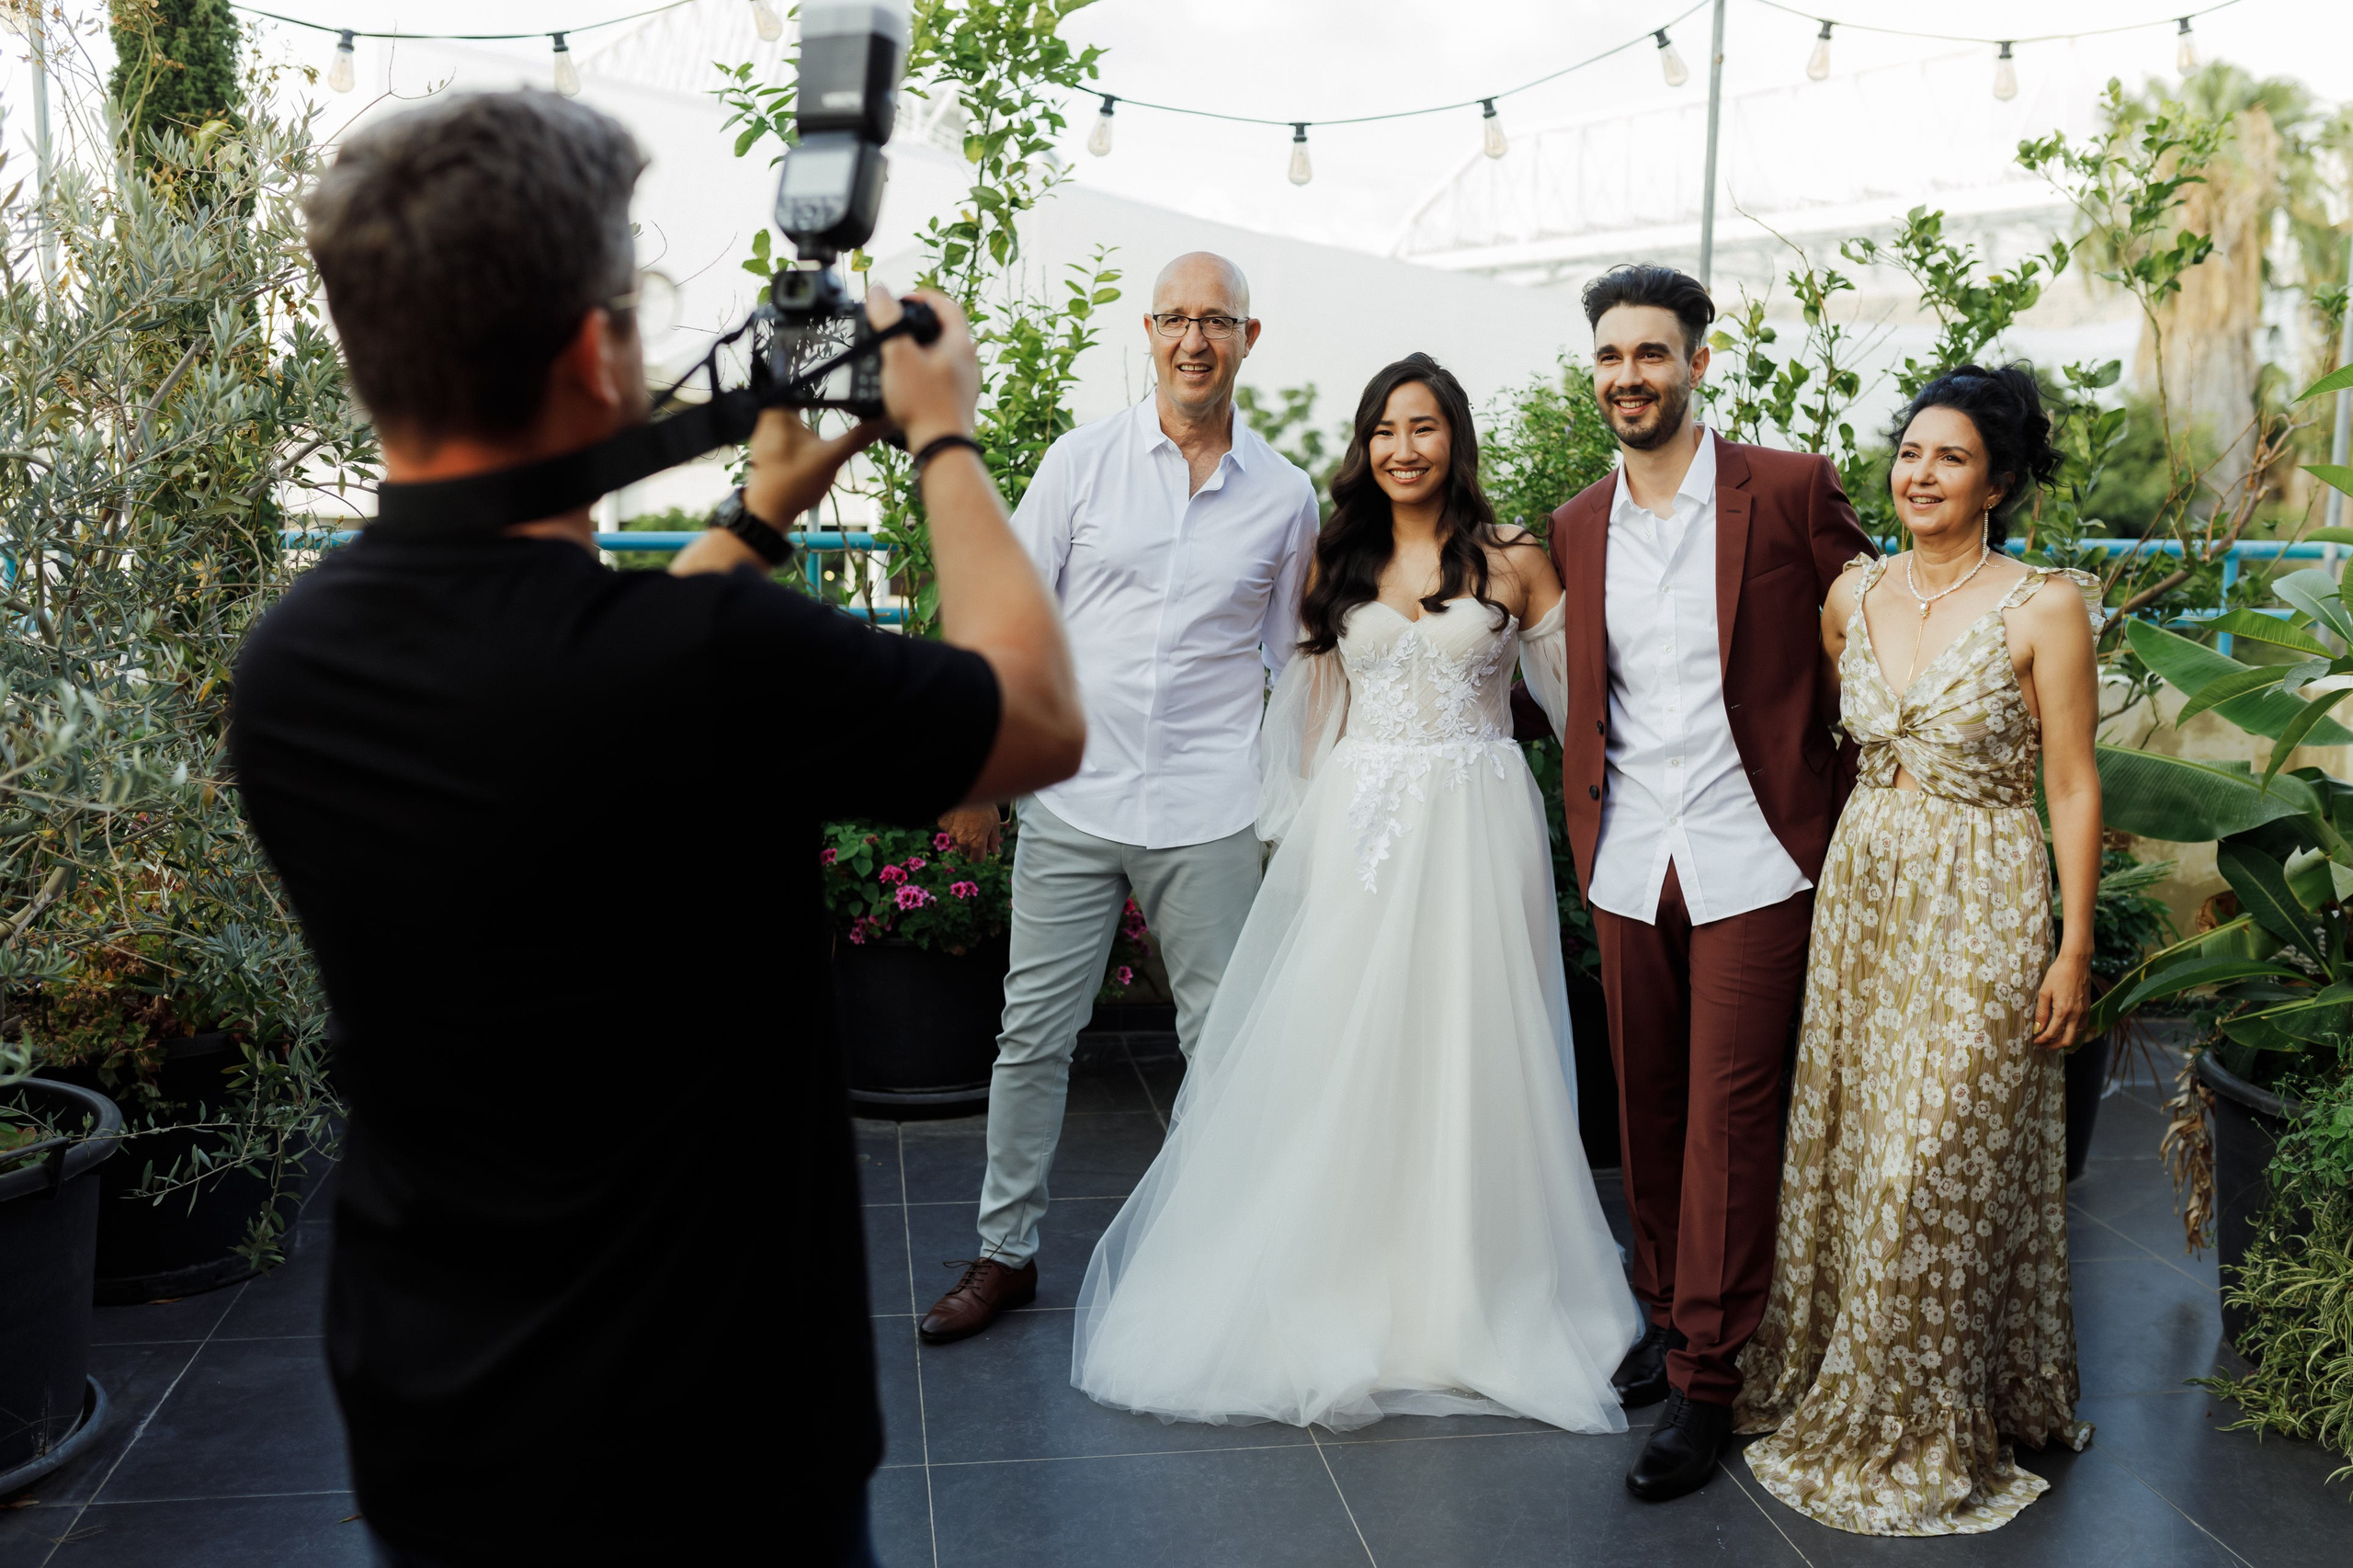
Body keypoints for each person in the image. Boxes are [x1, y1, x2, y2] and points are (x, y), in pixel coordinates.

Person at [229, 92, 1083, 1568]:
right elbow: (1035, 713)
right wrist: (942, 435)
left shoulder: (292, 661)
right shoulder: (698, 666)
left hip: (440, 1417)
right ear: (590, 353)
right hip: (714, 1441)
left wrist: (755, 516)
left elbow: (573, 663)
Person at [1069, 353, 1641, 1433]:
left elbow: (1578, 715)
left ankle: (1477, 1281)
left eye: (1423, 427)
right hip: (1362, 820)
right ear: (1365, 445)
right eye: (1384, 428)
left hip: (1478, 818)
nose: (1403, 448)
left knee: (1474, 1038)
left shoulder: (1515, 557)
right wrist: (1292, 832)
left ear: (1453, 437)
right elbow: (1307, 702)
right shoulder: (1335, 556)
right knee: (1347, 1036)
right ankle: (1346, 1268)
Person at [1519, 264, 1877, 1501]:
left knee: (1729, 1113)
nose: (1630, 376)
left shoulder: (1784, 491)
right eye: (1612, 356)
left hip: (1756, 849)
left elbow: (1875, 623)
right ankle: (1669, 1313)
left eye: (1653, 354)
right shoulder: (1574, 525)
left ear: (1699, 363)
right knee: (1647, 1106)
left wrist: (1852, 783)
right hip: (1629, 854)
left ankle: (1708, 1381)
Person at [918, 252, 1320, 1346]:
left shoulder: (1286, 497)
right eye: (1176, 319)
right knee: (1030, 1034)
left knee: (1226, 1043)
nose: (1195, 340)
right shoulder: (1080, 464)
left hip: (1213, 805)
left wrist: (1300, 806)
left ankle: (1231, 1256)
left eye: (1217, 322)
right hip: (1074, 796)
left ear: (1249, 336)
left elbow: (1293, 659)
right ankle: (1004, 1254)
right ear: (1146, 332)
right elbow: (1010, 614)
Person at [1734, 365, 2099, 1536]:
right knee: (1855, 1142)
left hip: (1988, 890)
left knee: (1930, 1156)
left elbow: (2073, 781)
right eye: (1908, 453)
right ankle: (1846, 1372)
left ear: (1997, 478)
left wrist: (2072, 944)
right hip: (1869, 887)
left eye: (1949, 457)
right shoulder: (1852, 592)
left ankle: (1919, 1413)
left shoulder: (2043, 605)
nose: (1920, 474)